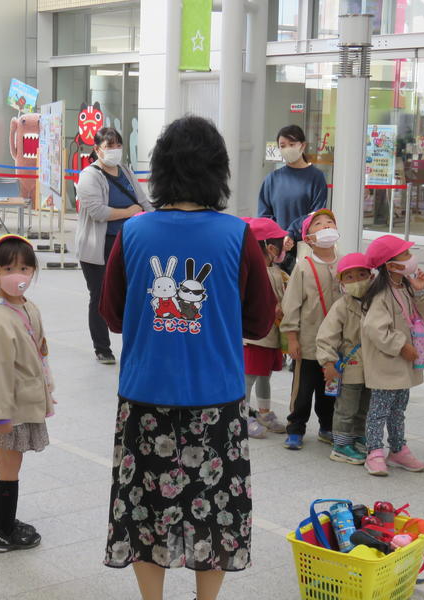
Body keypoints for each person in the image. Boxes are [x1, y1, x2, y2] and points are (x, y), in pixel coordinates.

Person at [99, 116, 274, 600]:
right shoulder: (238, 235)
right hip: (216, 397)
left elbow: (112, 314)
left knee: (143, 508)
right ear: (218, 170)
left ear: (159, 170)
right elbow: (260, 322)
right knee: (216, 510)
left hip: (144, 394)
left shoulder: (134, 232)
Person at [0, 234, 54, 553]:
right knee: (10, 465)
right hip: (10, 407)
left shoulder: (26, 306)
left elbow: (39, 349)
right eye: (8, 269)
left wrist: (47, 387)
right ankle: (6, 533)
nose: (17, 275)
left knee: (0, 460)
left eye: (24, 268)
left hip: (22, 399)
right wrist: (1, 414)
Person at [75, 127, 153, 365]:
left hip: (128, 244)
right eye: (109, 146)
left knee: (132, 295)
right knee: (100, 296)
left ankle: (135, 345)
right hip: (99, 247)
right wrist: (129, 212)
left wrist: (155, 220)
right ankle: (102, 348)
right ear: (97, 149)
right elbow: (97, 211)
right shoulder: (89, 175)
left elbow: (143, 202)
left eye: (118, 145)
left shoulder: (125, 171)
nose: (115, 150)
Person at [361, 235, 424, 476]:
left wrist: (421, 292)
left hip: (404, 365)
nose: (411, 258)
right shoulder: (381, 294)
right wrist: (401, 346)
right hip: (387, 364)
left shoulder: (406, 287)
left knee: (398, 410)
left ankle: (398, 449)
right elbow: (375, 328)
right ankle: (374, 451)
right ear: (391, 265)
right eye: (405, 255)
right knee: (379, 411)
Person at [280, 208, 342, 450]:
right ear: (308, 238)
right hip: (308, 342)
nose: (326, 226)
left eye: (330, 222)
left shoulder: (345, 263)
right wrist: (292, 339)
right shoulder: (303, 267)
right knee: (303, 390)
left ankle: (327, 426)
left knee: (330, 389)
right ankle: (295, 428)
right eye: (318, 224)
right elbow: (291, 305)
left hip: (336, 344)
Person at [316, 253, 373, 465]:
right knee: (346, 408)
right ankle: (340, 446)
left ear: (371, 276)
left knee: (364, 407)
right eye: (349, 277)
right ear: (341, 282)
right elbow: (326, 336)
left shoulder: (376, 302)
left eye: (361, 274)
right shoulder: (341, 306)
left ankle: (358, 437)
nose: (356, 280)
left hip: (372, 367)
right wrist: (328, 363)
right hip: (349, 366)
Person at [239, 217, 289, 438]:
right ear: (271, 248)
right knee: (249, 376)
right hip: (255, 337)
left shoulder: (276, 270)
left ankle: (264, 412)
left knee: (265, 375)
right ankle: (242, 415)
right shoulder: (255, 270)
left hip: (271, 334)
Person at [258, 125, 328, 273]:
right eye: (282, 146)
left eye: (292, 144)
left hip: (306, 248)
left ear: (303, 146)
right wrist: (279, 238)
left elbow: (315, 215)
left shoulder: (316, 177)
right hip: (276, 250)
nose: (287, 149)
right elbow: (264, 216)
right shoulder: (272, 179)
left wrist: (290, 233)